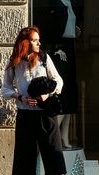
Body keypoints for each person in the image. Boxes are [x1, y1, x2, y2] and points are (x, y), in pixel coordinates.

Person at [0, 26, 73, 175]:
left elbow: (59, 81)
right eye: (34, 40)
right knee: (23, 151)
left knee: (53, 150)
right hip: (25, 114)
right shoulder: (14, 63)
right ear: (25, 42)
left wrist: (46, 95)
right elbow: (5, 88)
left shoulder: (44, 58)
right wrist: (20, 97)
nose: (38, 42)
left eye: (38, 39)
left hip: (45, 114)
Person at [33, 0, 82, 148]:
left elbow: (68, 26)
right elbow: (48, 27)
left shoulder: (70, 3)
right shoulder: (53, 3)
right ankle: (51, 136)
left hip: (69, 47)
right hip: (58, 51)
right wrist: (54, 48)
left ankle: (64, 138)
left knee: (70, 97)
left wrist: (76, 30)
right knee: (62, 94)